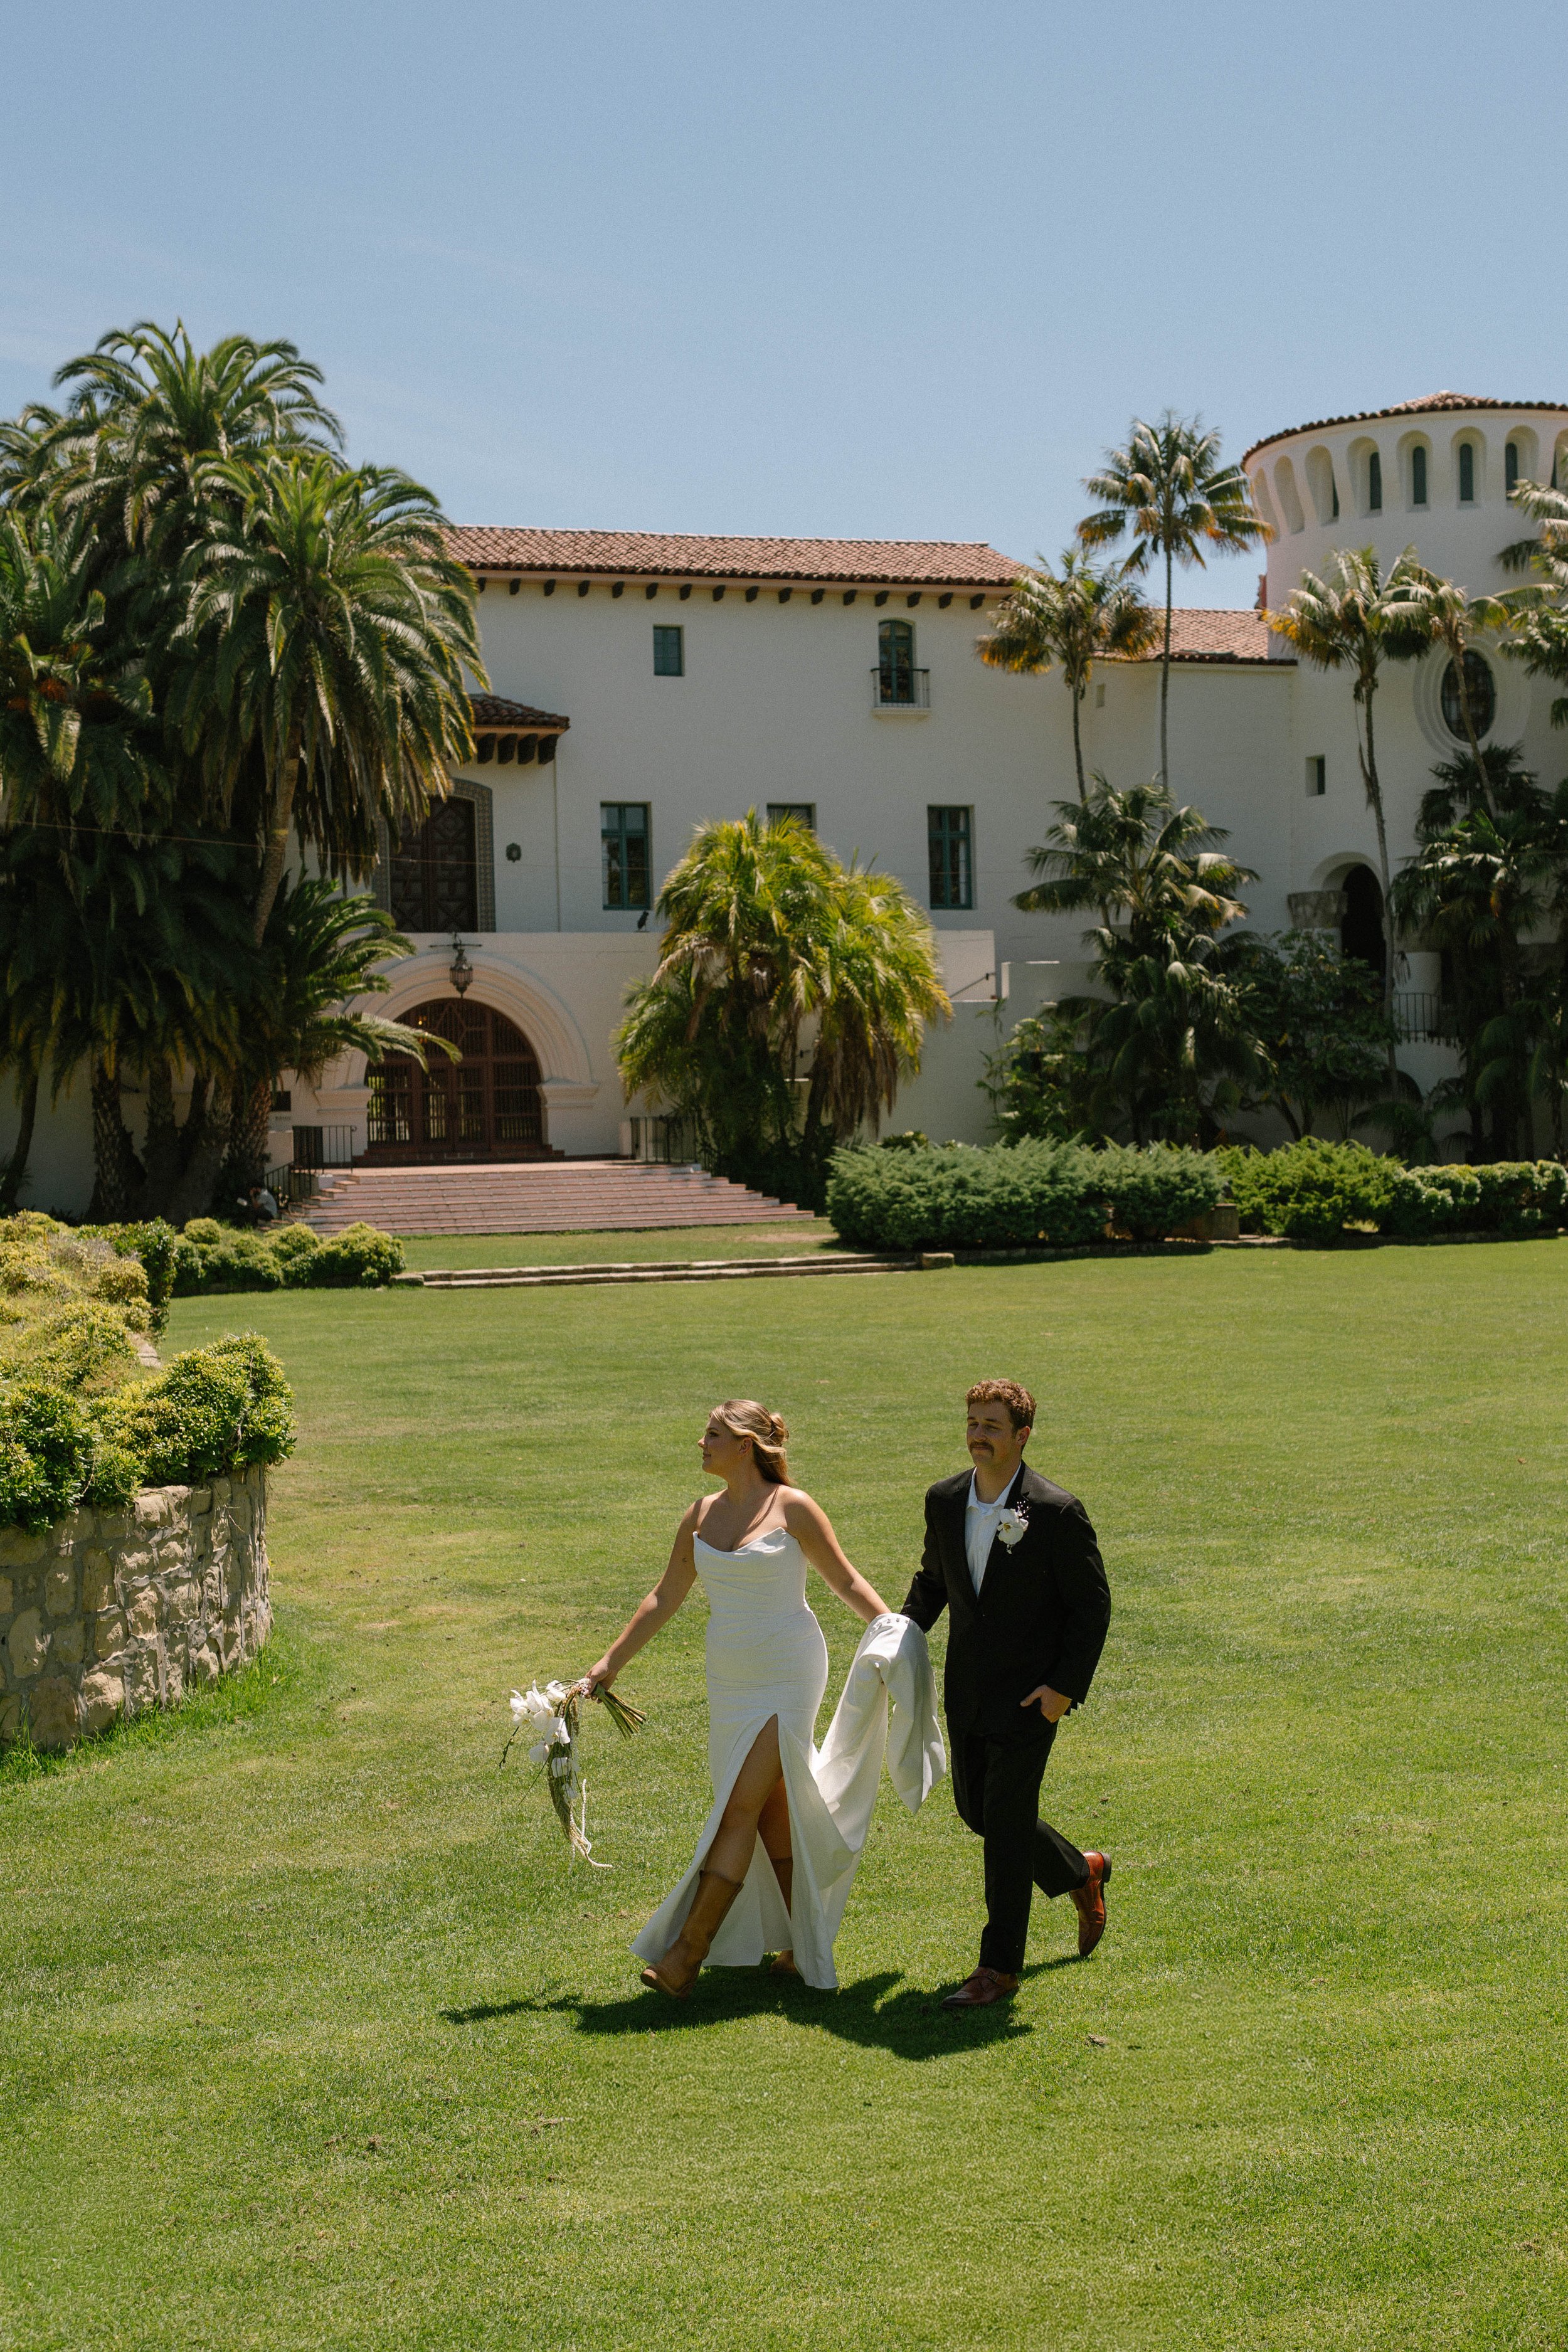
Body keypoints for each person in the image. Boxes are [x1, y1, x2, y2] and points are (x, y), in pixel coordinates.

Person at [584, 1400, 900, 1997]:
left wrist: (894, 1635)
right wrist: (608, 1664)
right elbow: (664, 1596)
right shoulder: (699, 1515)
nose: (700, 1442)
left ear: (746, 1446)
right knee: (771, 1812)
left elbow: (846, 1580)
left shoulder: (794, 1508)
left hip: (788, 1674)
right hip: (729, 1681)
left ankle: (687, 1954)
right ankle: (802, 1947)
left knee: (737, 1809)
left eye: (713, 1434)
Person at [901, 1379, 1112, 2010]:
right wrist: (895, 1637)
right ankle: (1082, 1871)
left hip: (1029, 1701)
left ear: (1022, 1436)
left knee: (1005, 1832)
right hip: (965, 1691)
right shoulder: (943, 1500)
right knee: (981, 1815)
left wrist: (1062, 1689)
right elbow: (933, 1581)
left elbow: (1091, 1607)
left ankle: (998, 1969)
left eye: (991, 1426)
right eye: (972, 1422)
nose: (977, 1435)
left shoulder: (1054, 1511)